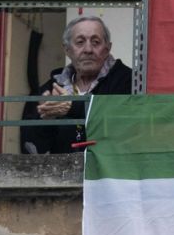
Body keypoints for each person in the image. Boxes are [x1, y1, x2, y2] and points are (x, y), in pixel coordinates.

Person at [21, 16, 132, 153]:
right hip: (63, 172)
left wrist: (73, 106)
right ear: (67, 50)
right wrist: (47, 119)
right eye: (80, 42)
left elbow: (126, 125)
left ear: (107, 48)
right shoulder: (50, 89)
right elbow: (30, 147)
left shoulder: (129, 81)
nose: (88, 49)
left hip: (109, 172)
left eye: (96, 42)